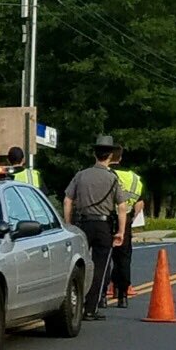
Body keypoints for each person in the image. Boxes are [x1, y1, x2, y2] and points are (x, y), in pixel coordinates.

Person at [63, 136, 129, 321]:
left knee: (78, 265)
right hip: (103, 226)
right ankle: (90, 309)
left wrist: (68, 224)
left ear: (94, 154)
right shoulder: (112, 178)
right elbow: (122, 207)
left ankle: (74, 304)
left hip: (82, 224)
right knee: (100, 267)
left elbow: (68, 200)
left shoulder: (81, 175)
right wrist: (121, 231)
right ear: (110, 156)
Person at [105, 144, 145, 308]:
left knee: (104, 258)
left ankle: (102, 296)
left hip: (106, 218)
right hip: (126, 219)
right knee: (123, 259)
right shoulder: (135, 178)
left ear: (109, 157)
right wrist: (131, 218)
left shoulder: (105, 175)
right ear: (120, 158)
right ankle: (122, 296)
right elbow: (140, 203)